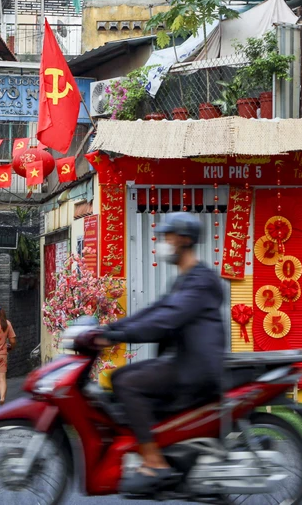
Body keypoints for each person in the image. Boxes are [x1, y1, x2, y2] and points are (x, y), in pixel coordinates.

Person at [94, 212, 225, 495]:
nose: (163, 243)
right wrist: (110, 328)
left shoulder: (200, 281)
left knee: (126, 382)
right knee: (120, 377)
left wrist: (116, 336)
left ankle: (155, 462)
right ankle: (159, 446)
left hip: (194, 368)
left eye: (168, 237)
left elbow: (166, 319)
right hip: (185, 362)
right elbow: (154, 311)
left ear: (185, 240)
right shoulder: (186, 280)